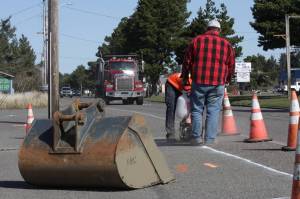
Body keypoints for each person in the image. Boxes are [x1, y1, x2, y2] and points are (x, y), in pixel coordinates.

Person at [181, 19, 235, 145]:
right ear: (219, 30)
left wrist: (185, 77)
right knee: (213, 110)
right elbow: (231, 65)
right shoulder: (226, 44)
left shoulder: (196, 41)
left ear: (207, 28)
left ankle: (196, 138)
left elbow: (187, 61)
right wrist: (227, 80)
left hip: (199, 81)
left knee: (197, 109)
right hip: (217, 83)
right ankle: (209, 139)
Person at [165, 72, 191, 140]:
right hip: (172, 84)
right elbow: (188, 92)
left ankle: (185, 127)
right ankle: (170, 132)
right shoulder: (189, 79)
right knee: (171, 106)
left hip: (182, 86)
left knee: (187, 107)